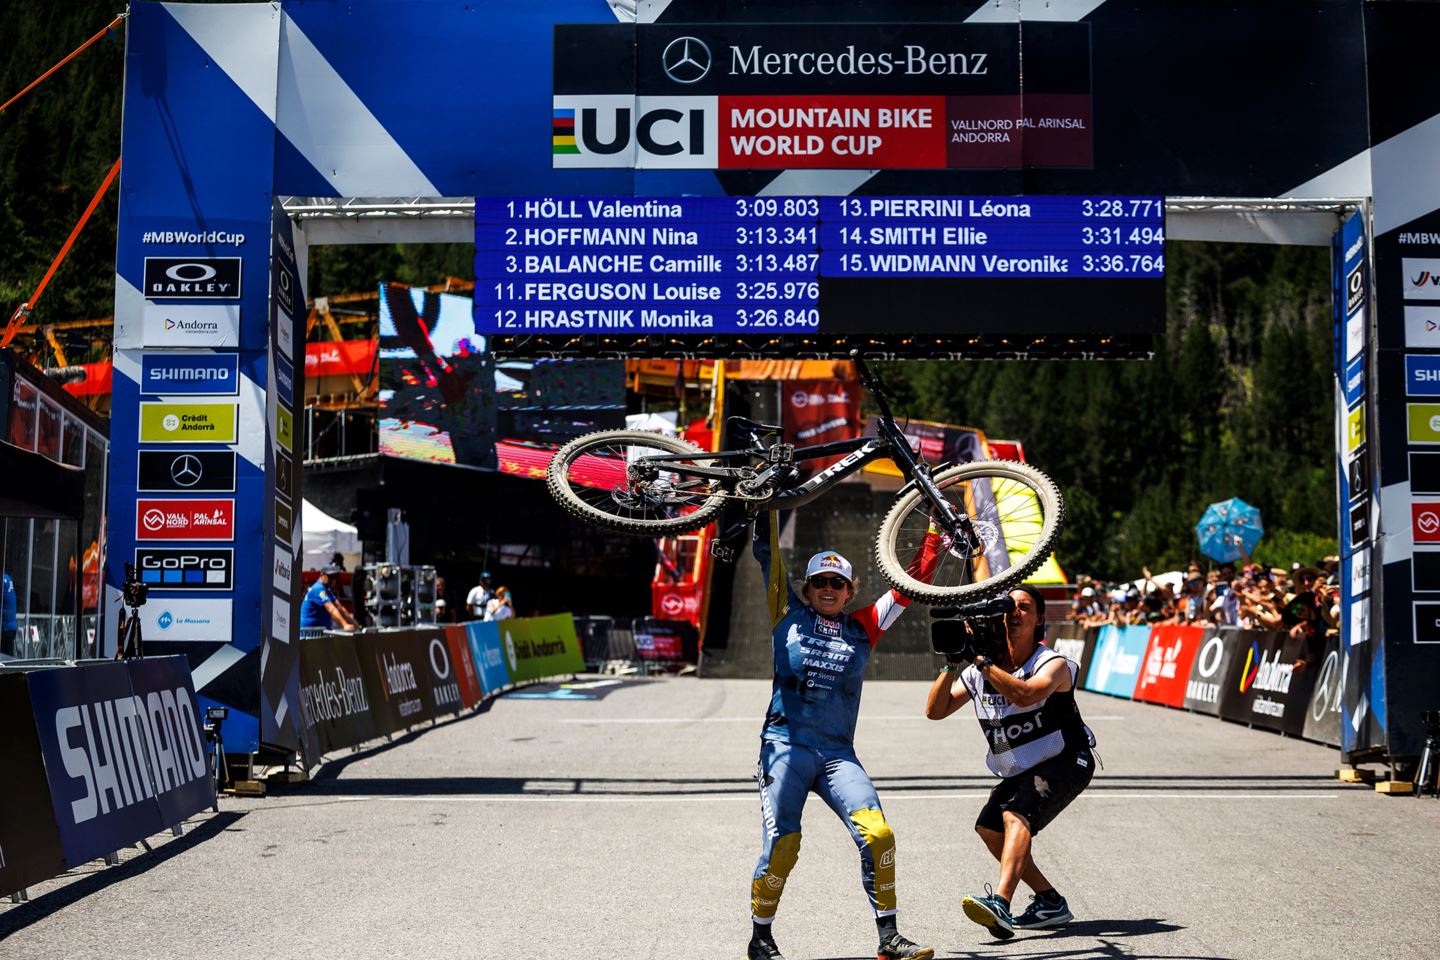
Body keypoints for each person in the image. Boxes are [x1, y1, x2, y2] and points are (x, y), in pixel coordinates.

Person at [744, 509, 942, 960]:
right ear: (807, 590)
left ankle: (889, 938)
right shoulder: (785, 611)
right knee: (783, 845)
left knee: (878, 835)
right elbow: (769, 554)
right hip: (785, 747)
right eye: (820, 582)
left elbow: (910, 586)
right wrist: (765, 501)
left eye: (837, 583)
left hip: (837, 754)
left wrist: (933, 530)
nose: (828, 589)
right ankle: (760, 937)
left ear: (851, 591)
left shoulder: (864, 626)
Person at [924, 585, 1097, 940]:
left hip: (1067, 758)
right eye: (1008, 607)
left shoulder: (1052, 663)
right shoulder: (978, 671)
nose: (1014, 612)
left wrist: (981, 662)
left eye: (1024, 607)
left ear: (1039, 619)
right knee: (989, 828)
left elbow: (1026, 693)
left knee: (1015, 814)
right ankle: (1050, 901)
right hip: (1024, 766)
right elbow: (935, 711)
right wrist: (952, 661)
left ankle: (1000, 903)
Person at [300, 565, 359, 632]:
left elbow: (340, 608)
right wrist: (345, 625)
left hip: (318, 632)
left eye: (335, 577)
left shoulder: (327, 590)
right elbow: (331, 609)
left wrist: (357, 626)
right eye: (330, 577)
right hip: (309, 633)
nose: (333, 580)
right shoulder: (318, 589)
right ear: (322, 575)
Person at [2, 571, 17, 656]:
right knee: (8, 657)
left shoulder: (3, 580)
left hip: (5, 627)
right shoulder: (7, 578)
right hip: (11, 626)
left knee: (6, 659)